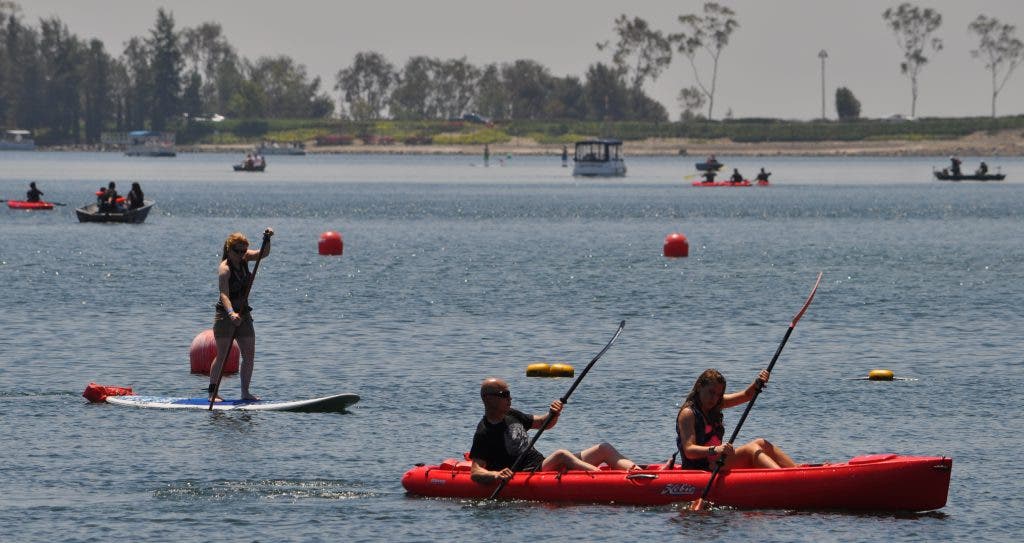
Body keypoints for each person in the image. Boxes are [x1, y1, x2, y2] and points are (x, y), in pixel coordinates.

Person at [469, 377, 640, 484]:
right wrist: (497, 475)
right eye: (504, 394)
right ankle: (611, 482)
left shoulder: (512, 414)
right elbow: (476, 471)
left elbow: (544, 423)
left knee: (603, 448)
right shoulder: (484, 431)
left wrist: (553, 413)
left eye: (509, 393)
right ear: (488, 398)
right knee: (561, 454)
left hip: (542, 464)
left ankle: (641, 474)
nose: (510, 398)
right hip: (528, 474)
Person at [676, 368, 796, 471]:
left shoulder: (716, 403)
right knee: (751, 450)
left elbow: (746, 395)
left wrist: (758, 383)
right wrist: (716, 449)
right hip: (701, 468)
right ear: (699, 387)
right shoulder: (688, 413)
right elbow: (689, 451)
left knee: (761, 443)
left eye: (718, 394)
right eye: (711, 392)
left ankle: (796, 471)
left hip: (717, 463)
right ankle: (786, 480)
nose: (714, 398)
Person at [208, 228, 274, 402]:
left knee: (249, 354)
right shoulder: (225, 269)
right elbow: (224, 295)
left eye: (244, 251)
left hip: (243, 314)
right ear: (229, 250)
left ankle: (245, 392)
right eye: (237, 251)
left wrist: (266, 239)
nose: (241, 254)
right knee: (223, 355)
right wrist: (231, 314)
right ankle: (212, 393)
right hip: (225, 316)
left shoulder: (245, 257)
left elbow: (263, 254)